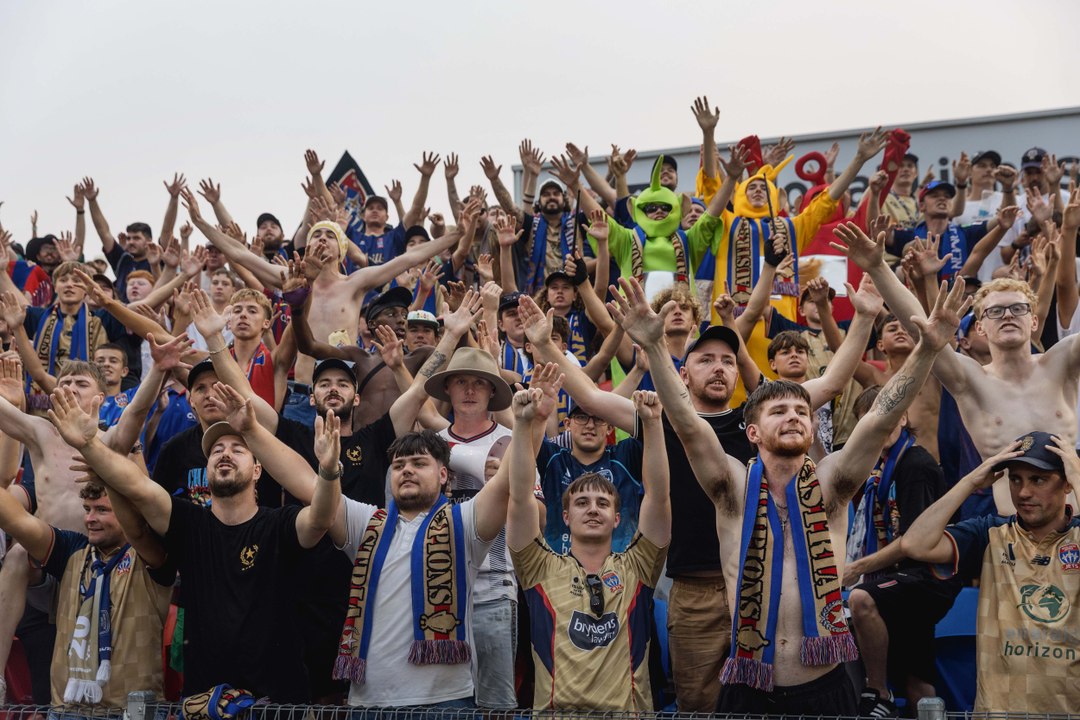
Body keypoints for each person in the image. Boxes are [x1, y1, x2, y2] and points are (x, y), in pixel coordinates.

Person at [607, 274, 968, 714]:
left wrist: (927, 350)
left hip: (827, 684)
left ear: (813, 426)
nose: (794, 416)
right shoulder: (733, 488)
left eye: (801, 410)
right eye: (779, 410)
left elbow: (878, 418)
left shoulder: (832, 485)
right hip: (749, 689)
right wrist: (657, 347)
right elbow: (687, 424)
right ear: (753, 431)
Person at [518, 292, 753, 713]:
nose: (719, 368)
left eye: (728, 361)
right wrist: (545, 343)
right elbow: (589, 398)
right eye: (706, 360)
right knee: (698, 702)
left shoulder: (756, 425)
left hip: (756, 581)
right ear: (682, 373)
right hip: (692, 584)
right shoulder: (657, 420)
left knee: (761, 700)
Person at [48, 377, 342, 703]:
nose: (225, 454)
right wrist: (88, 444)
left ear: (258, 470)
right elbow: (138, 487)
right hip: (206, 702)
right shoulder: (189, 522)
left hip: (278, 704)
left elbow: (321, 518)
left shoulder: (278, 524)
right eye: (217, 450)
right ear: (207, 467)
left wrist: (329, 472)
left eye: (237, 449)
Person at [833, 222, 1080, 513]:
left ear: (1034, 320)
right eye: (995, 312)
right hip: (1006, 533)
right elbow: (920, 330)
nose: (1008, 316)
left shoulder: (1063, 361)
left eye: (1018, 308)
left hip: (1073, 528)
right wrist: (878, 268)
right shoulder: (970, 380)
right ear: (982, 328)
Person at [508, 384, 670, 710]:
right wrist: (523, 425)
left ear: (618, 517)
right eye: (582, 502)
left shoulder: (639, 565)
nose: (593, 509)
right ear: (564, 517)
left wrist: (653, 424)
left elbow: (658, 497)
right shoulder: (539, 567)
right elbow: (520, 497)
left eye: (602, 503)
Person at [325, 429, 511, 712]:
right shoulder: (365, 524)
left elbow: (508, 483)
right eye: (398, 466)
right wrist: (252, 431)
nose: (407, 471)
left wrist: (527, 424)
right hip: (368, 702)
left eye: (419, 463)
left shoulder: (464, 520)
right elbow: (305, 486)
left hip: (444, 701)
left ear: (444, 475)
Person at [901, 432, 1080, 713]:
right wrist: (970, 482)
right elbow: (915, 544)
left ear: (1067, 482)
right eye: (1015, 479)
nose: (1023, 493)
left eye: (1038, 479)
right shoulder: (990, 534)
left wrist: (1079, 477)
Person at [0, 476, 172, 709]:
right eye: (87, 509)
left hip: (129, 713)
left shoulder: (149, 555)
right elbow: (16, 520)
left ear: (128, 512)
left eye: (102, 510)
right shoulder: (73, 550)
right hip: (65, 712)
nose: (90, 519)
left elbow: (147, 511)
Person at [844, 386, 963, 717]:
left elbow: (913, 541)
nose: (880, 427)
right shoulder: (880, 467)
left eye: (888, 419)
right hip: (904, 577)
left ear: (904, 417)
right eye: (872, 421)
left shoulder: (915, 465)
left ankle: (878, 691)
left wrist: (857, 568)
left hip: (928, 577)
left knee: (861, 599)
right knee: (916, 674)